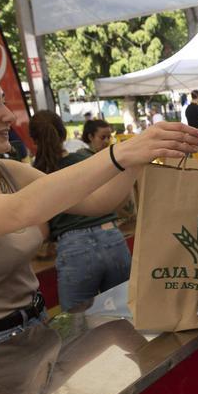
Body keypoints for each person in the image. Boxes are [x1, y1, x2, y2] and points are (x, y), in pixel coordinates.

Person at [0, 61, 198, 362]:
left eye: (3, 103)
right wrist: (120, 153)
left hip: (39, 330)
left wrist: (139, 156)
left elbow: (98, 202)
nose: (8, 116)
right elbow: (19, 211)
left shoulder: (6, 172)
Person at [28, 111, 132, 312]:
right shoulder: (86, 158)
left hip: (73, 248)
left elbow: (41, 231)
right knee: (126, 315)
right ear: (64, 133)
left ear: (33, 140)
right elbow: (116, 197)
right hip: (112, 237)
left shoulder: (33, 175)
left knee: (78, 328)